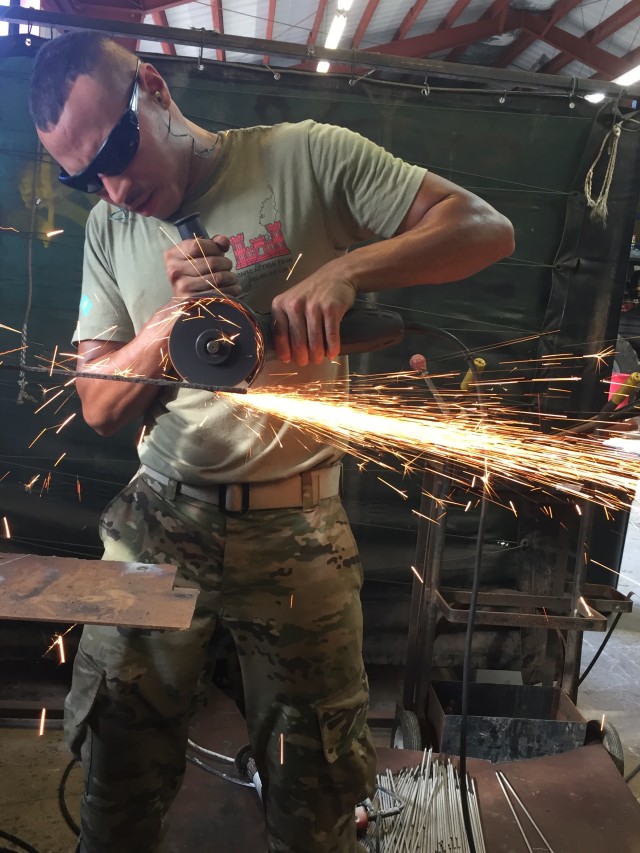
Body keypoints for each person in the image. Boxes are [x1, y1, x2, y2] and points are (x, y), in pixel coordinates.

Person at [28, 31, 514, 853]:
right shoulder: (110, 228)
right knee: (117, 763)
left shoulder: (307, 158)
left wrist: (349, 269)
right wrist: (166, 330)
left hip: (298, 527)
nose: (112, 185)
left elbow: (485, 228)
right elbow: (100, 408)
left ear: (153, 87)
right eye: (84, 177)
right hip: (159, 521)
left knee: (316, 788)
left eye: (115, 148)